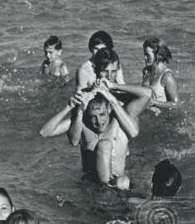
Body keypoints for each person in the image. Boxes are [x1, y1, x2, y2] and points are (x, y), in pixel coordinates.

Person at [39, 52, 151, 190]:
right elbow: (45, 132)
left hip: (118, 186)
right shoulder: (84, 108)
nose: (110, 76)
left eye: (114, 72)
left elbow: (147, 95)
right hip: (91, 188)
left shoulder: (121, 106)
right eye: (105, 72)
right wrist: (68, 107)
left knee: (107, 150)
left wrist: (114, 88)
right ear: (95, 70)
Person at [142, 42, 179, 107]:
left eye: (147, 55)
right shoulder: (146, 72)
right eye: (144, 54)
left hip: (162, 115)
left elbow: (175, 104)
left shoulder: (167, 76)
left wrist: (156, 103)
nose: (145, 58)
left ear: (158, 56)